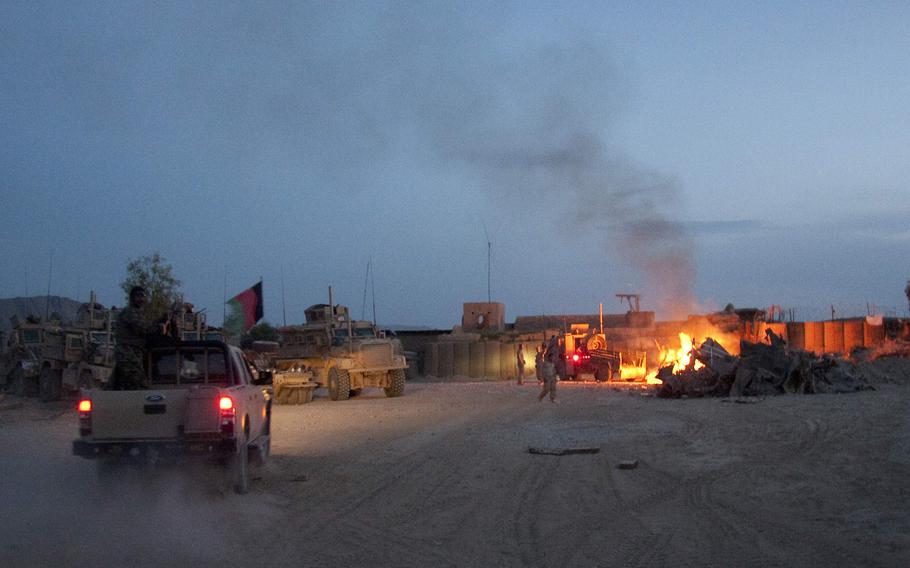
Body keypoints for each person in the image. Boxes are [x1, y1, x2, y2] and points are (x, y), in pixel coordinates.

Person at [110, 286, 165, 390]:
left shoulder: (137, 313)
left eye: (143, 296)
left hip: (133, 352)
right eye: (138, 296)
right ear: (132, 298)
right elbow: (143, 329)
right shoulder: (130, 312)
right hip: (127, 352)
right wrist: (158, 327)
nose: (141, 299)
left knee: (123, 384)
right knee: (140, 384)